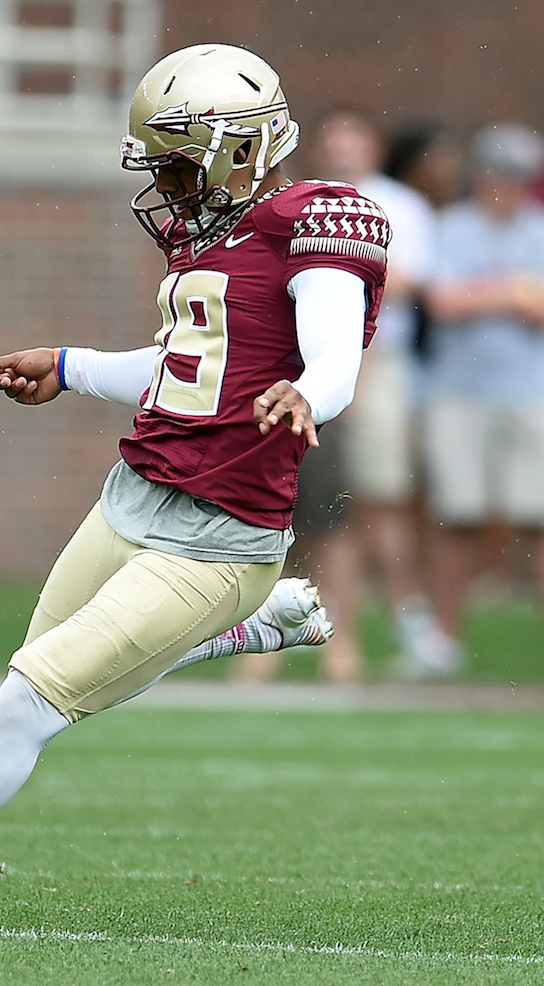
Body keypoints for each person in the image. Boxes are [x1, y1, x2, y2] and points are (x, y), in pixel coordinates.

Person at [0, 43, 390, 934]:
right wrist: (67, 365)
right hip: (131, 496)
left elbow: (334, 359)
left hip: (219, 537)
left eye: (175, 161)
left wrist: (304, 394)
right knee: (45, 681)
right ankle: (240, 631)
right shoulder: (217, 238)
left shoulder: (314, 219)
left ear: (240, 147)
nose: (164, 182)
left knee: (29, 704)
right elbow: (182, 368)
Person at [239, 108, 446, 683]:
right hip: (290, 378)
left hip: (363, 376)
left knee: (353, 512)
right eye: (334, 141)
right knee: (278, 513)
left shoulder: (395, 207)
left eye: (355, 141)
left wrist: (347, 383)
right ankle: (267, 645)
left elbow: (398, 288)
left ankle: (353, 636)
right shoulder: (296, 203)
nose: (344, 152)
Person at [422, 123, 544, 668]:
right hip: (458, 392)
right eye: (498, 173)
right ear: (479, 174)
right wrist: (513, 292)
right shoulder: (449, 228)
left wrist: (483, 294)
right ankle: (443, 642)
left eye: (517, 177)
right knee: (457, 518)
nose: (506, 186)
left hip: (529, 392)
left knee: (537, 522)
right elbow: (442, 303)